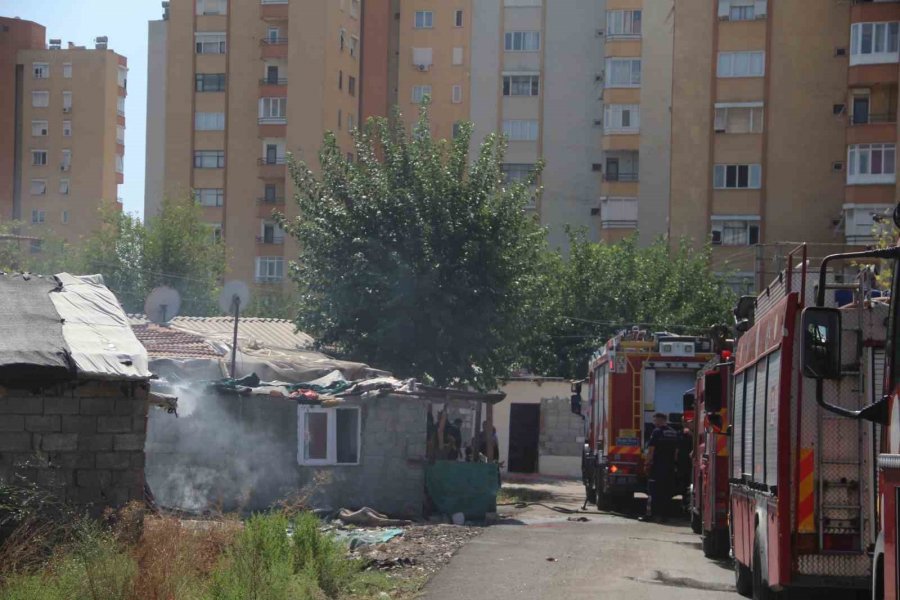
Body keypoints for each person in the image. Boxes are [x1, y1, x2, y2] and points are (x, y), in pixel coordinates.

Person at [641, 412, 679, 522]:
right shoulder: (673, 432)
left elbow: (651, 450)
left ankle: (651, 515)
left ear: (660, 420)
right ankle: (664, 515)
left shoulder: (657, 432)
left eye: (655, 420)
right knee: (666, 492)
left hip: (657, 467)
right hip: (670, 467)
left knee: (653, 492)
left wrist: (647, 464)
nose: (654, 423)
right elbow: (676, 452)